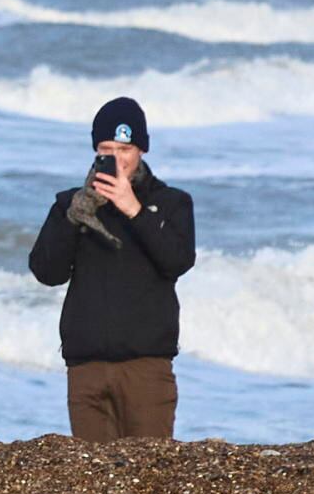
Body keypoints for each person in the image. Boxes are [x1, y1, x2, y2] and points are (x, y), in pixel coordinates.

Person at [27, 94, 194, 440]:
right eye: (107, 150)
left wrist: (134, 210)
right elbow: (47, 272)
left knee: (149, 477)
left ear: (141, 151)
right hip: (85, 366)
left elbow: (177, 261)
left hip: (146, 366)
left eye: (125, 150)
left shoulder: (171, 203)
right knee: (92, 485)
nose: (116, 160)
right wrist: (74, 217)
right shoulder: (70, 205)